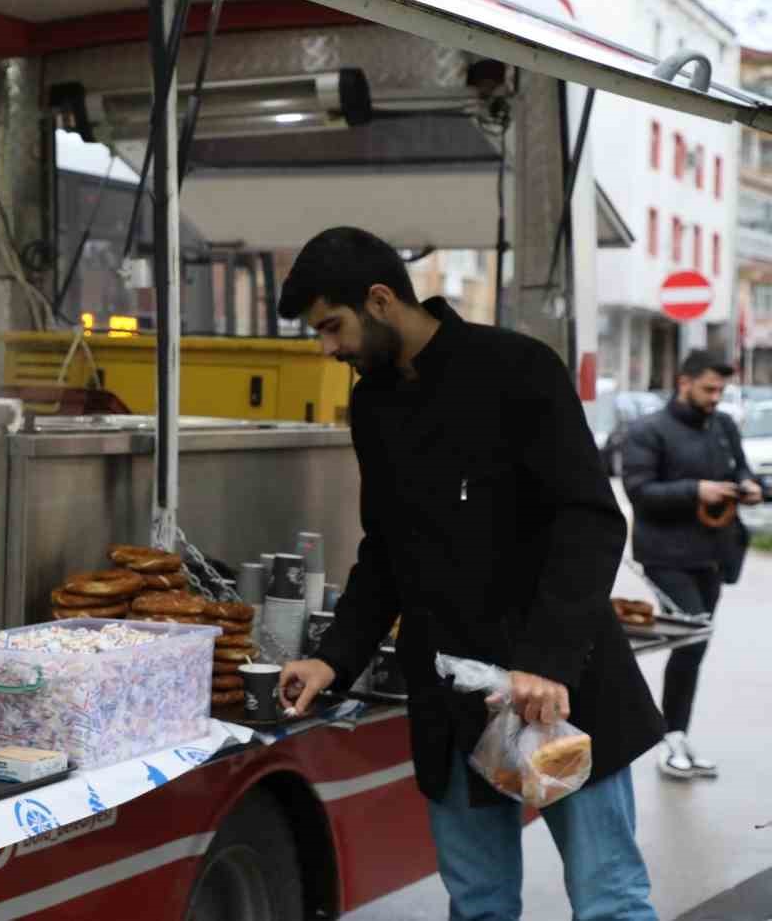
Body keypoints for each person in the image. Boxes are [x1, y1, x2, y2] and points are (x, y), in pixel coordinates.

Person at [277, 227, 662, 921]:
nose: (328, 349)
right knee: (478, 905)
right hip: (453, 698)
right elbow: (386, 548)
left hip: (558, 692)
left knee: (610, 902)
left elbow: (590, 519)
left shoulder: (518, 369)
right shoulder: (373, 404)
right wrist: (333, 659)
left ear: (381, 299)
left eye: (333, 327)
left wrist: (546, 662)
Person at [621, 349, 757, 780]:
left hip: (714, 554)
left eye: (721, 390)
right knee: (692, 638)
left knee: (696, 644)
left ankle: (677, 734)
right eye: (708, 388)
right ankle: (669, 738)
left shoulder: (724, 426)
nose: (716, 397)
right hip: (665, 555)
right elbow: (639, 491)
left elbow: (743, 471)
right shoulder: (648, 430)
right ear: (684, 383)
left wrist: (751, 488)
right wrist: (695, 490)